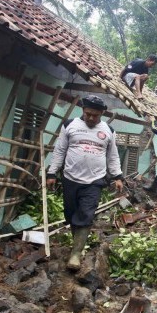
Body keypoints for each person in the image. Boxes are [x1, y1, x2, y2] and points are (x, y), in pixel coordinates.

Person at [46, 95, 124, 270]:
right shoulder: (69, 125)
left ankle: (75, 254)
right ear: (82, 110)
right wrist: (52, 172)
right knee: (71, 214)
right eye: (88, 114)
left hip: (95, 180)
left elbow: (113, 156)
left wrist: (118, 176)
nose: (90, 118)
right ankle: (77, 244)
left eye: (95, 115)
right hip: (70, 177)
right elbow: (59, 151)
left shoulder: (108, 130)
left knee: (86, 213)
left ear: (102, 114)